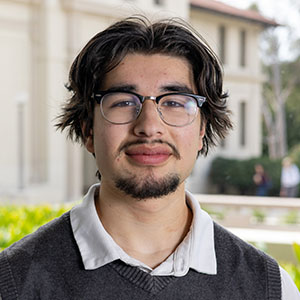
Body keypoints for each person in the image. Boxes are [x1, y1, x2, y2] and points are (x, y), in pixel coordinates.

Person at [0, 16, 299, 300]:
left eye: (174, 102)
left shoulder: (269, 288)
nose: (149, 126)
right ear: (88, 129)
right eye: (123, 102)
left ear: (201, 130)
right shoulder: (13, 283)